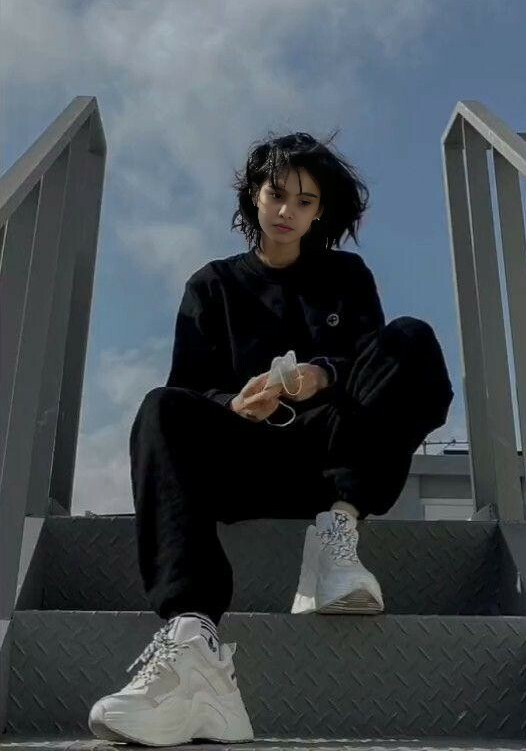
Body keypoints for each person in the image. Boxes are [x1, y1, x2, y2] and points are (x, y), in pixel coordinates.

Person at [88, 130, 454, 746]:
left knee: (412, 339)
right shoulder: (211, 286)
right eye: (276, 194)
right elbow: (187, 389)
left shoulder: (346, 276)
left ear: (320, 212)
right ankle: (192, 647)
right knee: (160, 409)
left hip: (332, 462)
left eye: (304, 202)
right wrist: (233, 406)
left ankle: (336, 539)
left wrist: (323, 374)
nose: (287, 211)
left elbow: (375, 366)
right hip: (246, 464)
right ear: (254, 196)